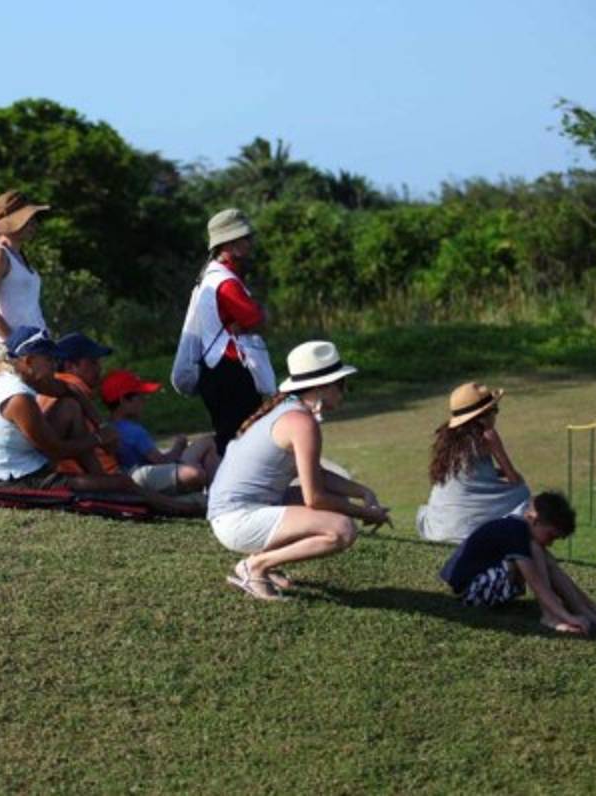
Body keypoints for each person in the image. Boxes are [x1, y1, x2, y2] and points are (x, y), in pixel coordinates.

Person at [207, 340, 390, 601]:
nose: (344, 391)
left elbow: (316, 475)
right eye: (342, 385)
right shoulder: (302, 423)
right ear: (322, 387)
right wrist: (365, 513)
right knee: (341, 529)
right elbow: (314, 497)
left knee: (336, 509)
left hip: (232, 514)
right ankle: (255, 567)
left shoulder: (289, 412)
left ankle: (260, 564)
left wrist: (363, 492)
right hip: (237, 520)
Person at [0, 326, 201, 517]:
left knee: (70, 408)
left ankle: (103, 483)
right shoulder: (18, 398)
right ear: (29, 361)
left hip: (9, 471)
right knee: (123, 483)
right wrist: (97, 438)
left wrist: (100, 426)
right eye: (49, 359)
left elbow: (69, 393)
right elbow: (55, 449)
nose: (54, 365)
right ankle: (178, 508)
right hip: (10, 482)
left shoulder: (8, 379)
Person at [439, 491, 596, 635]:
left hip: (483, 583)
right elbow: (537, 584)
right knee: (535, 549)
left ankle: (581, 609)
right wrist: (565, 616)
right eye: (550, 536)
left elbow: (556, 572)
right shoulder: (516, 531)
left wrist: (591, 608)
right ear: (534, 519)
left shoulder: (520, 530)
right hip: (472, 590)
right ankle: (550, 616)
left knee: (540, 552)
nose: (550, 543)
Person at [176, 208, 275, 455]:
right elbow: (257, 318)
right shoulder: (227, 282)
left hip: (217, 372)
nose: (250, 242)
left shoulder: (212, 276)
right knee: (240, 442)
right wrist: (254, 317)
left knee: (232, 440)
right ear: (229, 244)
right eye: (245, 238)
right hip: (229, 372)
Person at [416, 382, 531, 544]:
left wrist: (495, 473)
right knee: (523, 495)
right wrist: (507, 473)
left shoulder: (449, 441)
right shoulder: (488, 436)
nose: (496, 416)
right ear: (483, 415)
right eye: (495, 411)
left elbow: (471, 475)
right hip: (463, 532)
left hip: (436, 527)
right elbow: (514, 479)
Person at [102, 369, 218, 496]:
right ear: (123, 400)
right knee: (208, 443)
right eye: (140, 396)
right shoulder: (134, 431)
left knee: (206, 449)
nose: (144, 400)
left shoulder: (108, 426)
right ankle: (216, 496)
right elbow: (161, 461)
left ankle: (213, 496)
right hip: (145, 480)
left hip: (134, 477)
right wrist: (178, 446)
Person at [0, 190, 50, 361]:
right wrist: (16, 345)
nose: (33, 225)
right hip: (11, 351)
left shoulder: (19, 256)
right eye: (28, 220)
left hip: (35, 347)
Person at [37, 331, 121, 476]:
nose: (99, 368)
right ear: (70, 366)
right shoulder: (73, 385)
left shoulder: (48, 388)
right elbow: (109, 444)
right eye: (93, 362)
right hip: (98, 476)